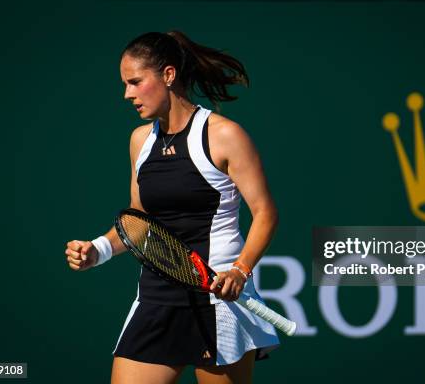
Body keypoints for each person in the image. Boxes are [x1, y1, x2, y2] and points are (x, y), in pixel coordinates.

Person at [64, 31, 280, 384]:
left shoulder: (224, 135)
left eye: (135, 82)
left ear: (167, 75)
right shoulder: (140, 140)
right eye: (125, 84)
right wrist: (97, 251)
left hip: (217, 300)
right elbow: (139, 221)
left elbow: (266, 213)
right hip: (155, 297)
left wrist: (240, 272)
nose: (127, 94)